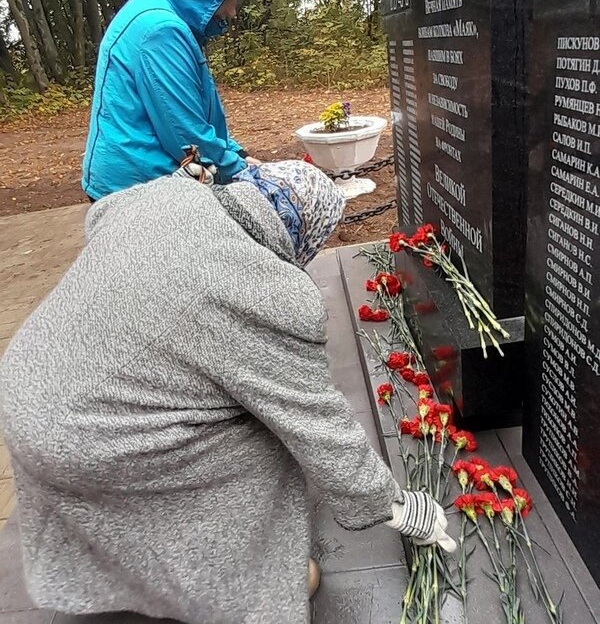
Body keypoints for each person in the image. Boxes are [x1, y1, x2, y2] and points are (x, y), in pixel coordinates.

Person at [0, 161, 454, 624]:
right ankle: (242, 585)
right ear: (306, 238)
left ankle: (120, 579)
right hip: (87, 437)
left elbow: (101, 215)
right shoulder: (270, 292)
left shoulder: (164, 195)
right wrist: (392, 505)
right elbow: (317, 423)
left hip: (26, 387)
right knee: (260, 442)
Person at [82, 0, 258, 202]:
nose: (232, 12)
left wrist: (237, 153)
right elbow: (187, 136)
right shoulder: (161, 30)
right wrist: (241, 172)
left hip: (144, 178)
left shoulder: (162, 8)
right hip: (134, 189)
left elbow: (196, 115)